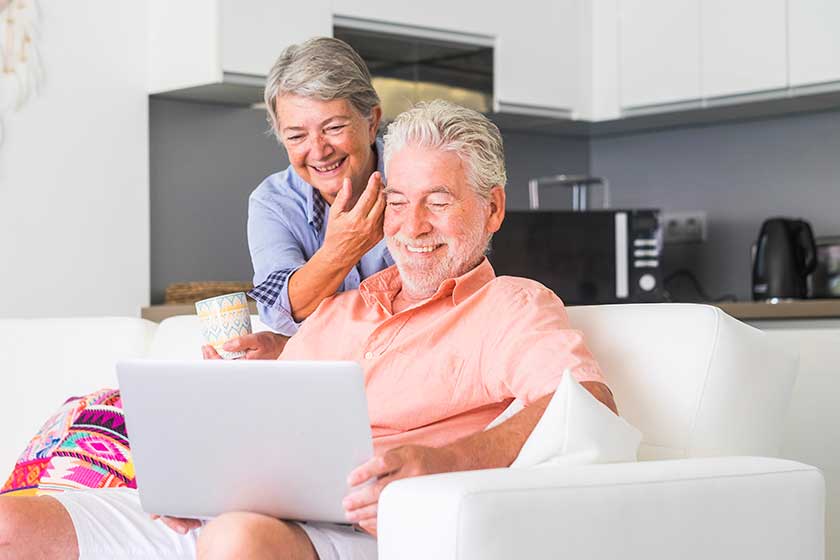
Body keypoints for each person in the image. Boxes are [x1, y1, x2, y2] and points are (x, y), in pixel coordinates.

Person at [0, 101, 617, 560]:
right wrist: (202, 483)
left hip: (373, 527)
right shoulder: (341, 311)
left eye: (438, 201)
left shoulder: (512, 306)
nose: (412, 227)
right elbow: (267, 427)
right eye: (398, 202)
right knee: (11, 526)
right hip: (251, 513)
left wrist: (441, 461)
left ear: (493, 208)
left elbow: (586, 404)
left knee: (235, 539)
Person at [227, 36, 394, 360]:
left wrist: (296, 343)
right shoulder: (273, 201)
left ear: (372, 122)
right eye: (297, 136)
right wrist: (341, 250)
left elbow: (436, 313)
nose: (318, 151)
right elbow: (280, 309)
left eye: (333, 127)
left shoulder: (416, 181)